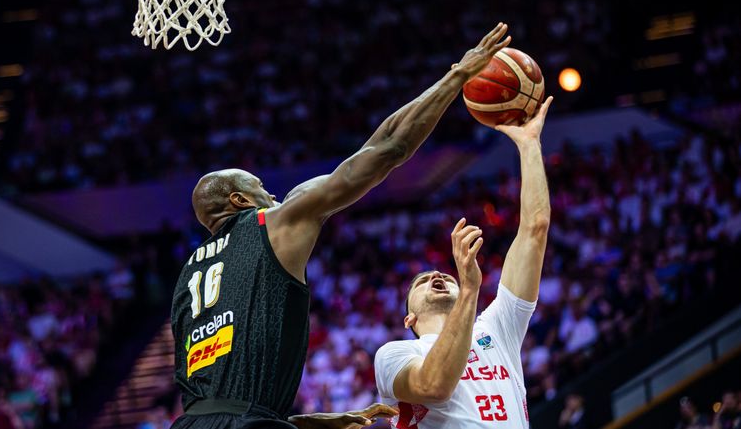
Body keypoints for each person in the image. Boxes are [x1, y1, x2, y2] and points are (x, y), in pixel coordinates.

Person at [169, 23, 514, 429]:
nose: (274, 196)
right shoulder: (273, 223)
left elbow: (220, 401)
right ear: (241, 202)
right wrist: (458, 75)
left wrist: (314, 423)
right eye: (262, 188)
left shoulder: (186, 279)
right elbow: (387, 147)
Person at [374, 94, 554, 428]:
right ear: (409, 318)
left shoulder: (497, 327)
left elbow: (535, 229)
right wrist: (469, 288)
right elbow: (434, 385)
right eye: (422, 281)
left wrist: (529, 144)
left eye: (445, 276)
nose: (437, 276)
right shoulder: (395, 354)